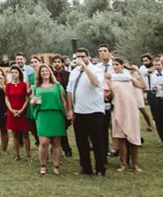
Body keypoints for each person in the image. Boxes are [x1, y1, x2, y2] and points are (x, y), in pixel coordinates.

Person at [67, 48, 107, 177]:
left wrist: (85, 67)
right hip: (79, 111)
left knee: (97, 142)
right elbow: (69, 91)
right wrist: (70, 109)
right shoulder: (74, 72)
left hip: (94, 111)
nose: (80, 59)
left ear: (88, 57)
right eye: (77, 57)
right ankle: (85, 167)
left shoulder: (97, 70)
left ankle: (100, 168)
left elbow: (95, 83)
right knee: (81, 142)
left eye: (82, 56)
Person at [107, 58, 145, 172]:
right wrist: (110, 90)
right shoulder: (110, 78)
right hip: (118, 108)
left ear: (122, 65)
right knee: (121, 137)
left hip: (131, 109)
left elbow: (142, 85)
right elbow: (108, 96)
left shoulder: (129, 77)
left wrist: (138, 73)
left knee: (133, 136)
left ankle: (134, 164)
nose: (115, 66)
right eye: (113, 64)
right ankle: (123, 163)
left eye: (117, 64)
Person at [31, 64, 68, 176]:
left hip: (56, 114)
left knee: (56, 142)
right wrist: (32, 102)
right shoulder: (36, 87)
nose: (45, 73)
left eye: (46, 71)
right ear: (39, 74)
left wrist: (67, 114)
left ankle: (56, 165)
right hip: (43, 115)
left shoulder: (57, 86)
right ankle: (43, 165)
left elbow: (64, 101)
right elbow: (33, 101)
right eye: (42, 71)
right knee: (44, 142)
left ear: (50, 72)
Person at [5, 65, 31, 161]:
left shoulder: (24, 84)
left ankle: (28, 155)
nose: (14, 74)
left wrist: (21, 110)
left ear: (19, 74)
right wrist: (11, 110)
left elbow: (27, 98)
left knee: (25, 134)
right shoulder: (8, 85)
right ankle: (16, 155)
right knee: (14, 134)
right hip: (12, 111)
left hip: (22, 111)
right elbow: (6, 98)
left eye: (16, 72)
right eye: (12, 72)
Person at [50, 54, 73, 157]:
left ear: (62, 63)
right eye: (55, 62)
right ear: (52, 64)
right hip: (54, 104)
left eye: (59, 62)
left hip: (66, 102)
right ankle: (64, 148)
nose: (57, 64)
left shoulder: (68, 74)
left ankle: (63, 147)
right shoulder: (50, 75)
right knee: (58, 127)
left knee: (64, 126)